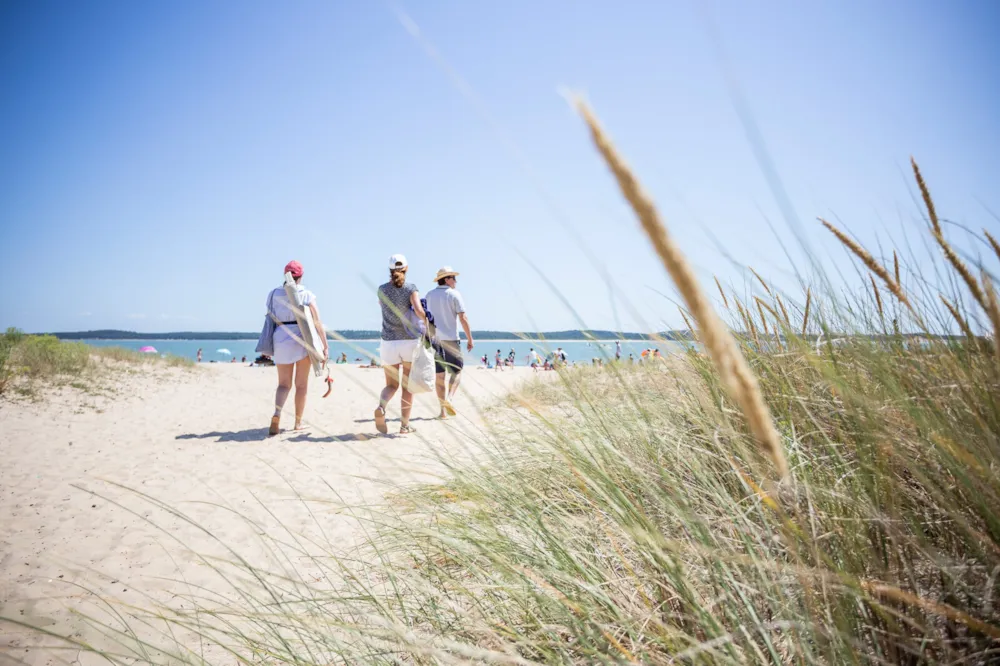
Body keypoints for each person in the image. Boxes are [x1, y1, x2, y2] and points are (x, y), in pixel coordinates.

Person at [265, 260, 328, 436]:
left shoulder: (272, 294)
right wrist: (324, 344)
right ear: (300, 277)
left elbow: (270, 316)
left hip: (280, 338)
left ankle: (277, 414)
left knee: (283, 384)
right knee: (301, 385)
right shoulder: (306, 294)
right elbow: (317, 322)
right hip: (302, 337)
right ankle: (298, 423)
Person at [374, 254, 426, 435]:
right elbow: (419, 310)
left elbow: (383, 306)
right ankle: (404, 426)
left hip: (388, 343)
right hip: (409, 342)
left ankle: (381, 407)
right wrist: (429, 322)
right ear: (407, 268)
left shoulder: (381, 289)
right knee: (407, 387)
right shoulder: (411, 288)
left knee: (391, 385)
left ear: (390, 270)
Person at [424, 266, 473, 419]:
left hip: (435, 340)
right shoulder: (454, 294)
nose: (456, 281)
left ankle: (442, 412)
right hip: (451, 339)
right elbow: (463, 318)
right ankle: (449, 399)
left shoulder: (429, 295)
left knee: (440, 376)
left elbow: (425, 318)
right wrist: (470, 339)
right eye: (454, 278)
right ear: (446, 279)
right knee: (457, 371)